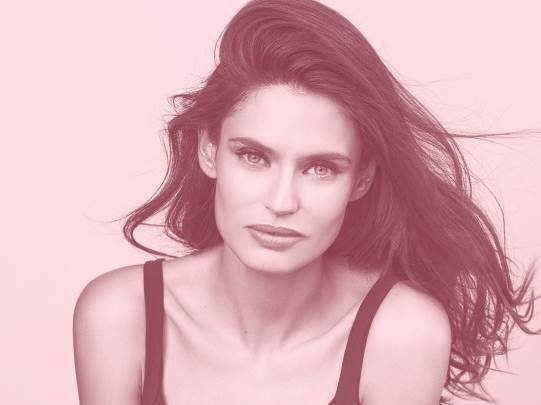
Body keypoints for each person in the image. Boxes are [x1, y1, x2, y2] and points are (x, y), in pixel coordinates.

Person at [73, 0, 540, 404]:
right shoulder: (121, 315)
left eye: (320, 168)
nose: (281, 202)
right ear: (209, 151)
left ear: (361, 178)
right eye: (254, 157)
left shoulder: (401, 333)